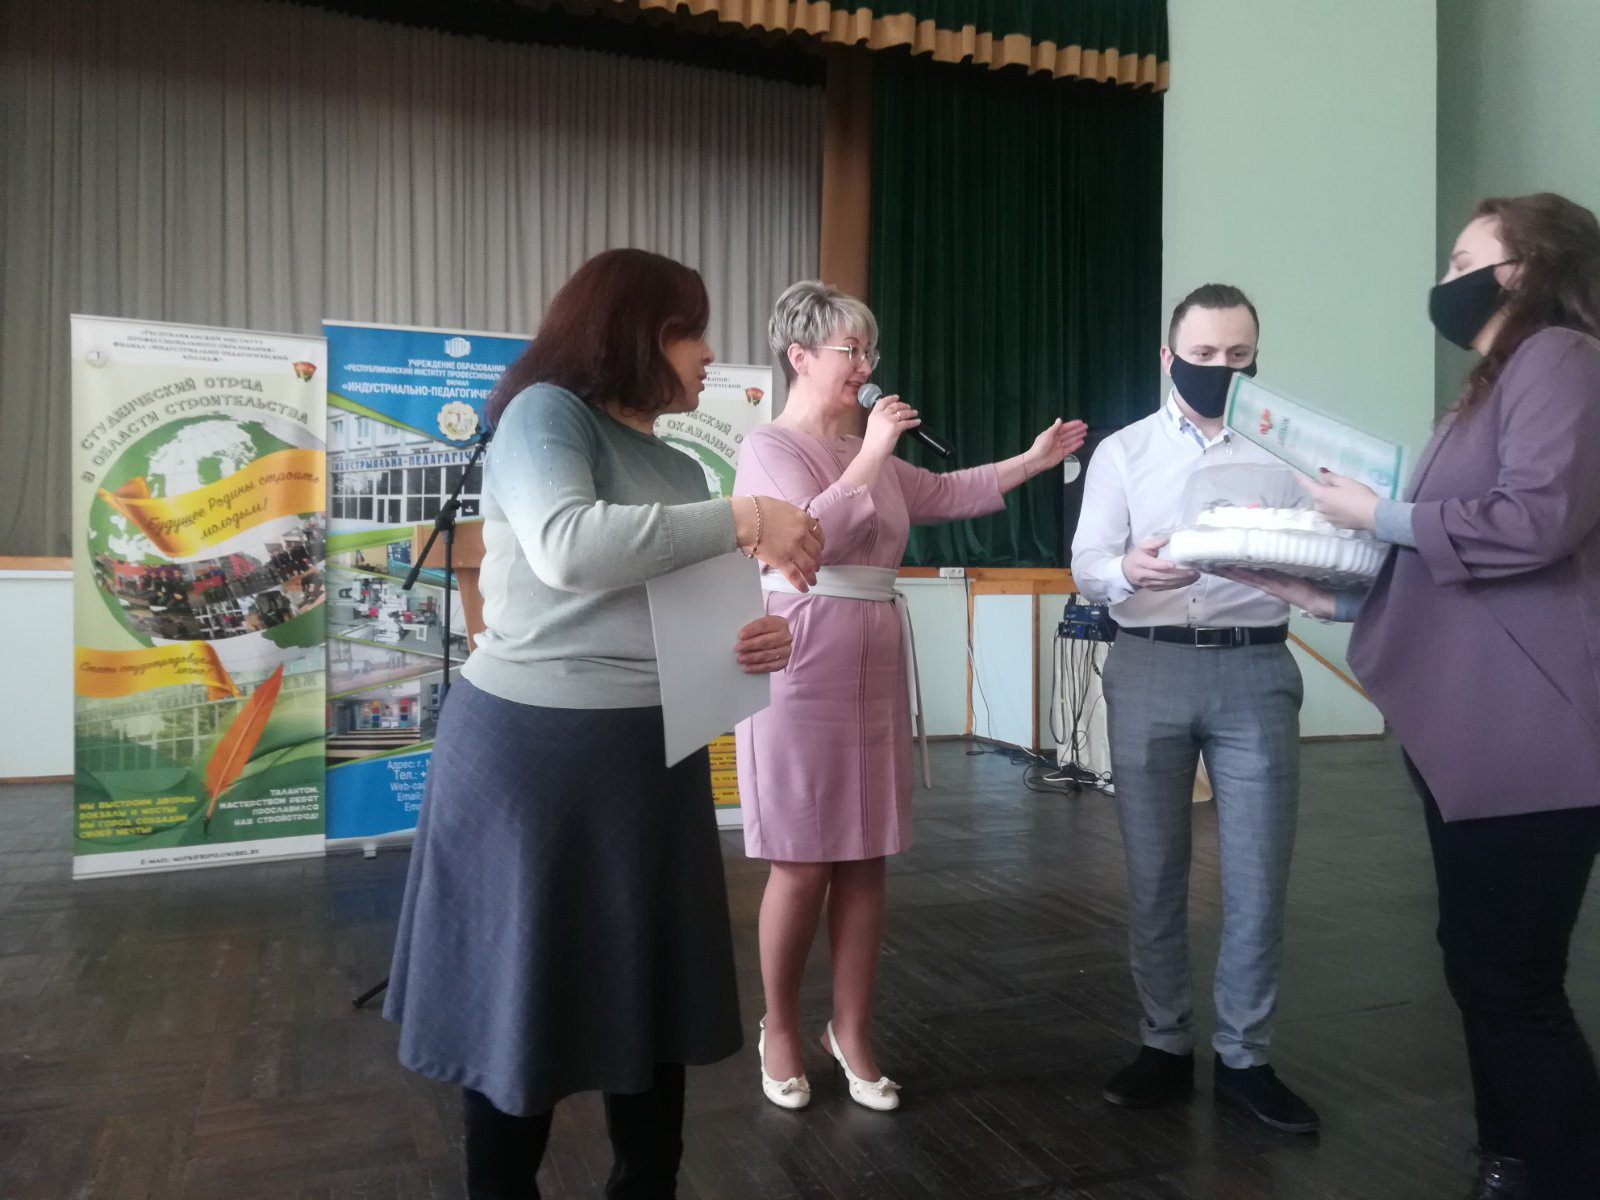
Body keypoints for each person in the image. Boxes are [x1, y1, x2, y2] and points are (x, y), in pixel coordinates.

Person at [383, 248, 825, 1200]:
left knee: (649, 1006)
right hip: (532, 758)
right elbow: (568, 547)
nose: (709, 353)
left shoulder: (678, 462)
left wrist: (750, 638)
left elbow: (681, 602)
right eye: (690, 331)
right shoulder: (544, 414)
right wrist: (747, 515)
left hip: (650, 756)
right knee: (520, 1004)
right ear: (634, 332)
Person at [1221, 193, 1600, 1198]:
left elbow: (1533, 521)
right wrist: (1329, 592)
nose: (1446, 278)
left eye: (1466, 259)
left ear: (1528, 269)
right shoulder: (1493, 384)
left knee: (1512, 983)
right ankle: (1510, 1159)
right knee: (1481, 969)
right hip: (1479, 734)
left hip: (1530, 733)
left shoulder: (1561, 357)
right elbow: (1458, 560)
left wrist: (1375, 514)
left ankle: (1562, 1170)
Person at [735, 280, 1085, 1111]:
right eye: (851, 350)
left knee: (865, 856)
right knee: (802, 858)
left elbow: (949, 492)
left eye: (870, 350)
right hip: (800, 652)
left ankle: (850, 1029)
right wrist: (873, 451)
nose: (867, 365)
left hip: (875, 653)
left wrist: (1032, 460)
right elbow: (807, 535)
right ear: (800, 355)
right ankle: (779, 1025)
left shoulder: (878, 453)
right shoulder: (769, 447)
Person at [1070, 284, 1320, 1134]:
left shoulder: (1285, 457)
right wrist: (1127, 571)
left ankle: (1247, 1059)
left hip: (1256, 668)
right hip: (1149, 663)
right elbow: (1088, 563)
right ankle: (1164, 1042)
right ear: (1169, 358)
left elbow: (1324, 552)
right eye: (1204, 354)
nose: (1221, 368)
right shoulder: (1125, 452)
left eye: (1238, 356)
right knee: (1153, 872)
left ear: (1256, 359)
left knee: (1258, 876)